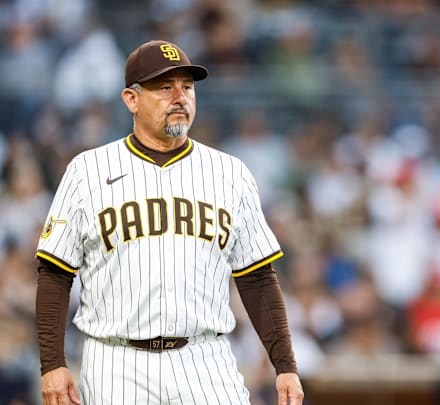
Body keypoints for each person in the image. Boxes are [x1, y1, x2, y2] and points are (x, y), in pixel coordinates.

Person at [35, 40, 304, 405]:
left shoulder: (230, 173)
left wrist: (285, 365)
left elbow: (257, 276)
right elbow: (55, 273)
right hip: (116, 361)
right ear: (131, 99)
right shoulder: (88, 171)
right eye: (165, 87)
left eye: (188, 87)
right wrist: (52, 364)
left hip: (205, 357)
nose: (180, 97)